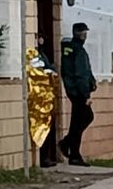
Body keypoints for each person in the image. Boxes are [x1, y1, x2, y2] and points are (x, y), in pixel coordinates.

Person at [58, 23, 97, 167]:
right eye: (83, 33)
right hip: (79, 92)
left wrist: (91, 81)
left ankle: (72, 150)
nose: (85, 35)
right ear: (77, 33)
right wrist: (85, 93)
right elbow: (81, 73)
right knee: (86, 117)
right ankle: (69, 146)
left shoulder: (70, 48)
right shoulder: (78, 50)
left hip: (73, 90)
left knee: (78, 121)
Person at [36, 34, 58, 168]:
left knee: (48, 126)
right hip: (39, 96)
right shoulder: (35, 55)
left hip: (47, 94)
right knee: (42, 128)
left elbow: (49, 68)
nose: (41, 40)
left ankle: (47, 156)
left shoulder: (42, 54)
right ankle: (43, 157)